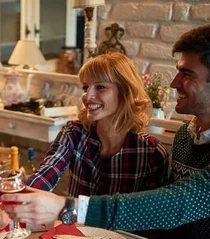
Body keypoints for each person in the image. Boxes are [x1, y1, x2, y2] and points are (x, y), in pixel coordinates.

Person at [1, 22, 210, 239]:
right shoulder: (186, 137)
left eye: (186, 74)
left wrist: (69, 208)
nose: (174, 83)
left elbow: (182, 203)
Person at [27, 53, 170, 196]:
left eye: (100, 87)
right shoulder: (73, 133)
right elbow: (47, 172)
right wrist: (22, 194)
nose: (87, 96)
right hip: (75, 219)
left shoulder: (151, 153)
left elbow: (150, 213)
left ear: (124, 92)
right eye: (85, 87)